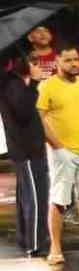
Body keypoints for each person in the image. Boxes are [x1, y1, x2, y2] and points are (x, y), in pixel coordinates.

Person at [37, 43, 79, 265]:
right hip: (62, 153)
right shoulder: (47, 86)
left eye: (76, 59)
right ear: (57, 62)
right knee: (58, 201)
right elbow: (39, 119)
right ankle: (55, 248)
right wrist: (57, 146)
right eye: (68, 60)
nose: (74, 64)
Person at [0, 55, 49, 257]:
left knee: (26, 196)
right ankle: (34, 243)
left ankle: (25, 238)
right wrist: (35, 83)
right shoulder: (13, 85)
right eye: (34, 63)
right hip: (27, 150)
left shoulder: (12, 83)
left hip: (27, 149)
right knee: (35, 197)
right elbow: (24, 112)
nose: (38, 67)